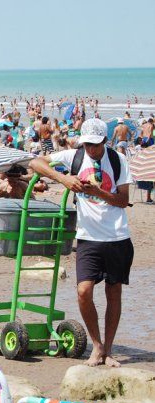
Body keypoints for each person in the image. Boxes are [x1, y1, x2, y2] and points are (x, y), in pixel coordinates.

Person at [29, 118, 133, 368]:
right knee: (84, 292)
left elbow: (123, 200)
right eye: (87, 144)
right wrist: (62, 179)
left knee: (113, 293)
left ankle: (107, 350)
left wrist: (98, 192)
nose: (91, 150)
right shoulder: (74, 156)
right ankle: (96, 346)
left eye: (96, 145)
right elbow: (34, 162)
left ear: (105, 142)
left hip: (117, 236)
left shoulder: (118, 161)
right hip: (87, 237)